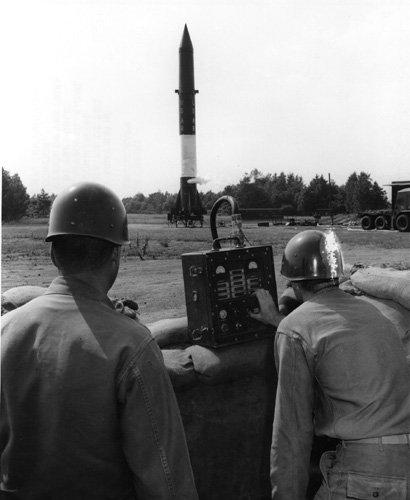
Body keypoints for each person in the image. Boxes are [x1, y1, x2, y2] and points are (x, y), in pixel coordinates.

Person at [1, 181, 198, 500]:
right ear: (115, 256)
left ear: (52, 252)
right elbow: (166, 481)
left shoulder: (5, 329)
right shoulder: (132, 344)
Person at [250, 229, 410, 500]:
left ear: (294, 284)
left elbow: (292, 433)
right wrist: (280, 322)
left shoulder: (295, 328)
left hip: (369, 473)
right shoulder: (372, 313)